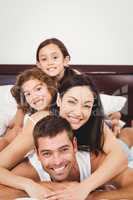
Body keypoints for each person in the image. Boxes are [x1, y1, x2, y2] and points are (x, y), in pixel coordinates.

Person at [0, 73, 127, 199]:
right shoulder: (41, 124)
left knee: (126, 138)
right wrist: (30, 185)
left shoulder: (93, 122)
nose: (78, 112)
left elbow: (120, 157)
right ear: (59, 100)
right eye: (72, 102)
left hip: (110, 153)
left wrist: (84, 188)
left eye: (86, 105)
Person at [0, 115, 132, 199]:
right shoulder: (30, 169)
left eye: (63, 150)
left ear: (74, 146)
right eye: (47, 153)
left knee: (125, 139)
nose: (57, 161)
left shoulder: (92, 160)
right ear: (37, 154)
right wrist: (47, 187)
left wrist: (92, 195)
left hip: (117, 146)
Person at [3, 38, 79, 144]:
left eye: (55, 57)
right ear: (38, 65)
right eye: (44, 59)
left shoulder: (74, 79)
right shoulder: (37, 79)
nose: (50, 63)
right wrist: (17, 125)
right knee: (12, 132)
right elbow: (22, 100)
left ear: (65, 61)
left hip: (63, 113)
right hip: (39, 109)